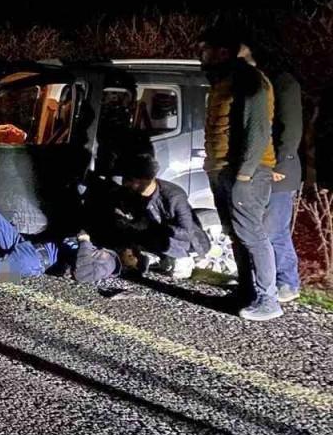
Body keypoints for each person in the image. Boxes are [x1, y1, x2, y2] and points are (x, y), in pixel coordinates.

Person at [200, 27, 281, 321]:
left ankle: (268, 299)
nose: (201, 55)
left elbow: (257, 131)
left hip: (246, 173)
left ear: (223, 51)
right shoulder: (224, 80)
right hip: (223, 170)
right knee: (236, 234)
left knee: (251, 234)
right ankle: (247, 292)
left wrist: (244, 175)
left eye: (206, 49)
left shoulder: (249, 80)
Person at [0, 208, 132, 284]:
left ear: (129, 262)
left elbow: (83, 275)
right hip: (29, 249)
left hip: (32, 261)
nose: (131, 251)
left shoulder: (109, 263)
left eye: (134, 255)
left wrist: (84, 242)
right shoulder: (107, 251)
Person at [243, 46, 304, 303]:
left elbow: (290, 127)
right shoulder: (261, 82)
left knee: (274, 228)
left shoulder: (283, 82)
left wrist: (281, 163)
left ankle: (287, 281)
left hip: (279, 171)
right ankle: (267, 279)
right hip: (263, 167)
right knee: (262, 228)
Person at [87, 154, 209, 280]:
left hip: (180, 242)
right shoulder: (133, 192)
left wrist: (153, 228)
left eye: (129, 180)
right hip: (152, 235)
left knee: (155, 237)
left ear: (143, 181)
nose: (125, 183)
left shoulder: (174, 197)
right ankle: (152, 257)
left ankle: (180, 259)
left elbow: (187, 232)